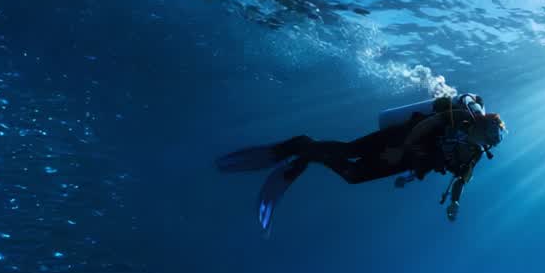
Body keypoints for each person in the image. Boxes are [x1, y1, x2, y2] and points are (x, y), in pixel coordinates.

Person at [216, 93, 505, 232]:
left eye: (490, 142)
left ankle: (308, 153)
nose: (486, 143)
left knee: (352, 175)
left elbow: (461, 178)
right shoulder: (459, 117)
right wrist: (400, 148)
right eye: (488, 136)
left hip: (405, 162)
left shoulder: (475, 152)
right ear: (482, 124)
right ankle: (300, 146)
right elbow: (425, 127)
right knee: (349, 149)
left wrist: (455, 201)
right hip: (398, 140)